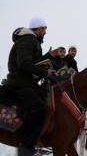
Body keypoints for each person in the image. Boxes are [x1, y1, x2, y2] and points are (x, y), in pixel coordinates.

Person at [5, 18, 56, 156]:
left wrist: (48, 56)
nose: (45, 32)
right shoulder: (27, 39)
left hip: (28, 83)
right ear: (38, 29)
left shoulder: (32, 41)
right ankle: (26, 146)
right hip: (20, 83)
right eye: (44, 29)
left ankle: (38, 140)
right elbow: (24, 64)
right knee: (39, 109)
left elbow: (33, 63)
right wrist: (46, 72)